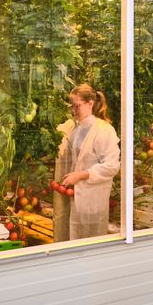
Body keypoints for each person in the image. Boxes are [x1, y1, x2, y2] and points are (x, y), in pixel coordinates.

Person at [53, 84, 120, 241]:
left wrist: (82, 175)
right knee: (70, 238)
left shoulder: (104, 131)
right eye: (72, 106)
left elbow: (111, 166)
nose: (73, 111)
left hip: (92, 199)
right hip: (73, 196)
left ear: (90, 103)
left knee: (90, 243)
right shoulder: (75, 128)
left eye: (77, 106)